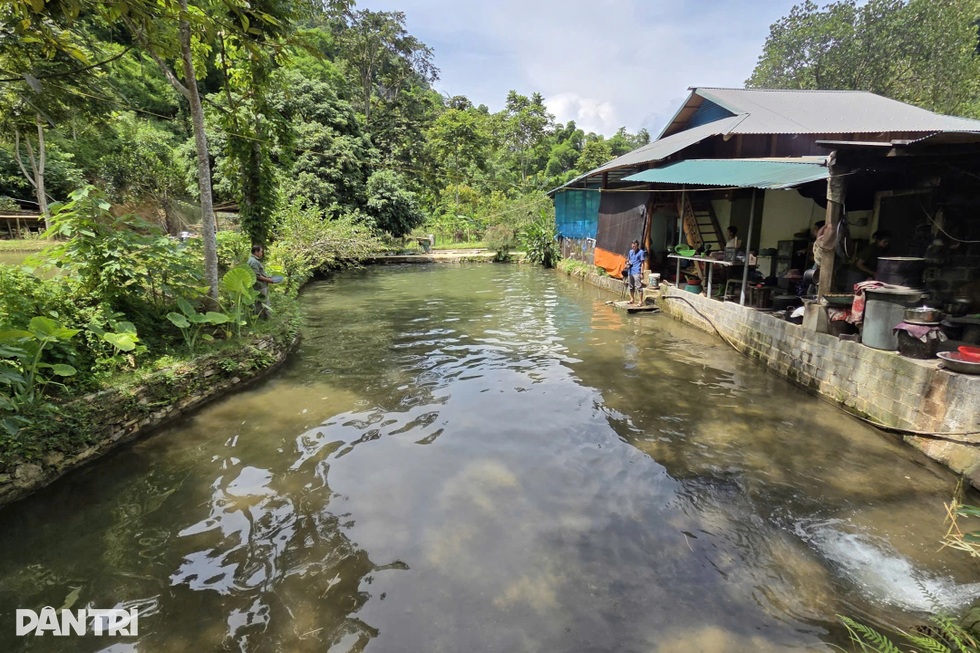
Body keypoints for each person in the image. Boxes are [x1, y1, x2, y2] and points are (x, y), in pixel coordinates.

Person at [247, 244, 276, 319]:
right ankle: (267, 319)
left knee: (259, 303)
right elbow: (257, 276)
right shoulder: (254, 262)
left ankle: (260, 319)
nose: (262, 253)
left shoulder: (252, 260)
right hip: (260, 286)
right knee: (264, 303)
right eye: (261, 252)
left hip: (258, 285)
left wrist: (268, 277)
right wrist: (269, 280)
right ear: (256, 252)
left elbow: (259, 273)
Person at [625, 240, 646, 305]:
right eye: (633, 246)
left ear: (637, 246)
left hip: (637, 271)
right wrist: (627, 264)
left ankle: (640, 301)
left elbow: (642, 263)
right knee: (631, 286)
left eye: (635, 246)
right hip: (630, 271)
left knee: (638, 287)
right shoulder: (630, 251)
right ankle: (632, 299)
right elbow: (628, 260)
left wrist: (642, 273)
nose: (634, 247)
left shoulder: (641, 252)